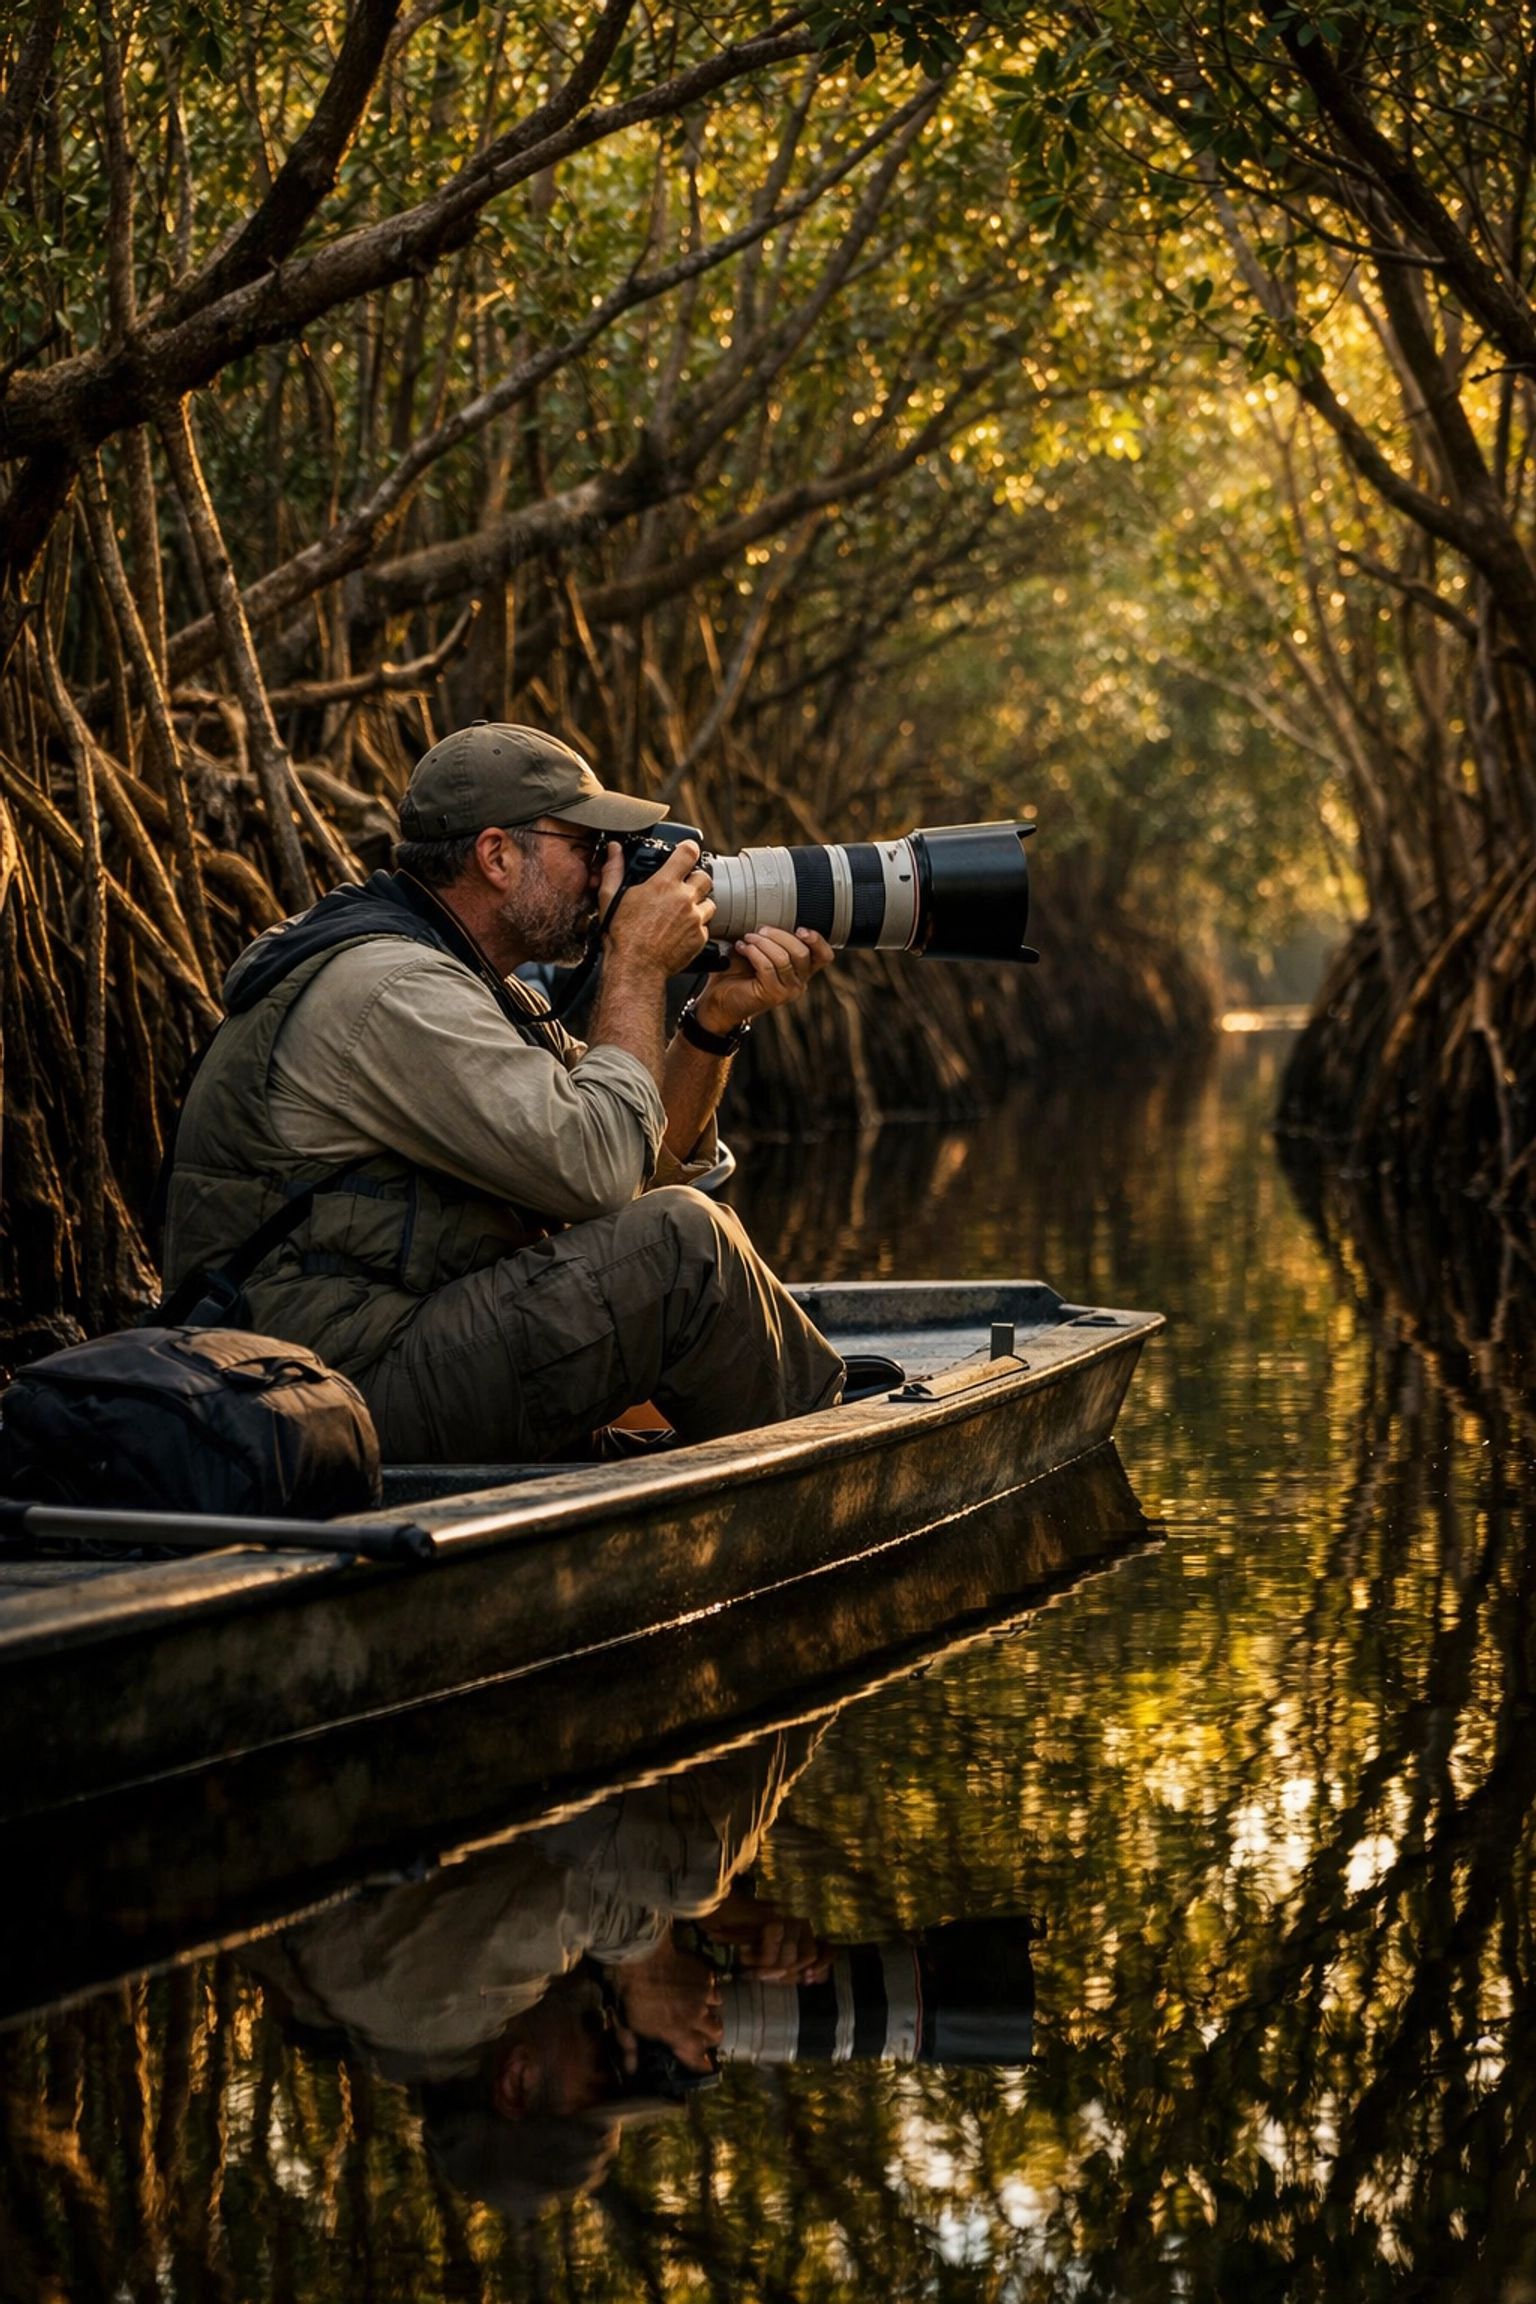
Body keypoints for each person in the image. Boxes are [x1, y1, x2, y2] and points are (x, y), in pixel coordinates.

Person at [162, 722, 845, 1461]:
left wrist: (712, 1022)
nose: (605, 873)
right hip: (314, 1395)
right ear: (495, 855)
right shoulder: (391, 991)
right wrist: (638, 963)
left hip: (368, 1359)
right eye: (586, 848)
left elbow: (634, 1164)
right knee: (685, 1245)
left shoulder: (477, 987)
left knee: (675, 1227)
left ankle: (786, 1449)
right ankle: (840, 1482)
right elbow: (601, 1168)